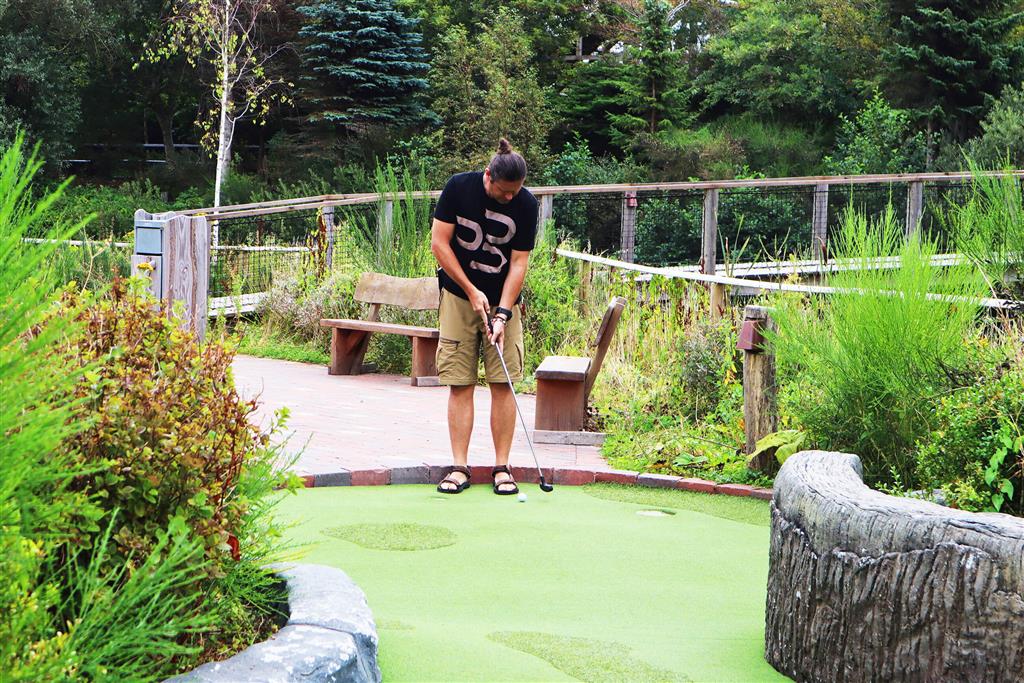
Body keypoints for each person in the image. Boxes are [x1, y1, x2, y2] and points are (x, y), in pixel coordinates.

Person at [430, 138, 538, 495]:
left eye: (515, 191)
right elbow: (439, 244)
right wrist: (471, 289)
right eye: (504, 190)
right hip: (458, 298)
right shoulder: (458, 188)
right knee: (460, 382)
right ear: (488, 175)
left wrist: (503, 313)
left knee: (503, 381)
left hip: (503, 300)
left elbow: (519, 263)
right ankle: (459, 467)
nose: (510, 197)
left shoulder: (526, 205)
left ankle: (502, 468)